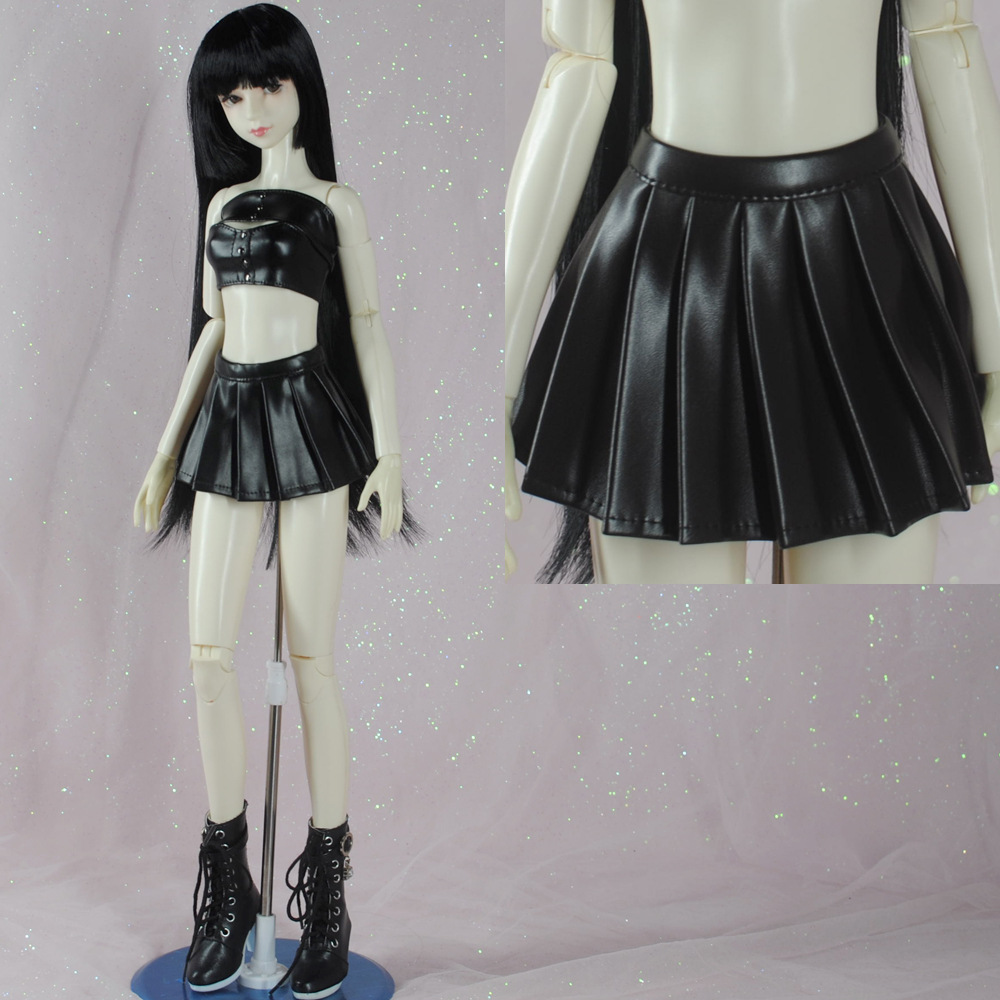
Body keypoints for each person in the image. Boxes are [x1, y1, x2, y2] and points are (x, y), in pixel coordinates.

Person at [505, 0, 1000, 584]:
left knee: (856, 621)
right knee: (669, 623)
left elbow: (945, 37)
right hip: (671, 273)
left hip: (863, 272)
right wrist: (499, 383)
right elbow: (578, 64)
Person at [133, 5, 410, 995]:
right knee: (209, 658)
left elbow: (365, 326)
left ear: (302, 86)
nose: (251, 106)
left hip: (308, 417)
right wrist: (165, 450)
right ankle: (229, 881)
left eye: (268, 84)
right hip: (229, 420)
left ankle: (327, 892)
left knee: (312, 659)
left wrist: (392, 452)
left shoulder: (337, 205)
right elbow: (212, 329)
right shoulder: (221, 206)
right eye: (231, 93)